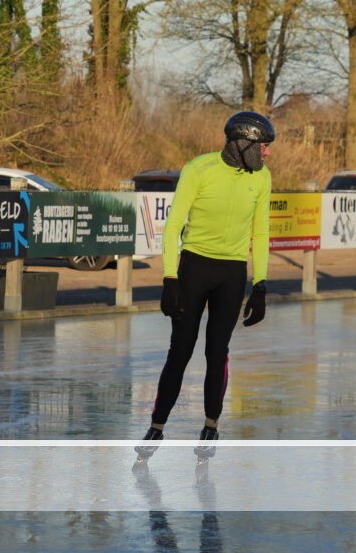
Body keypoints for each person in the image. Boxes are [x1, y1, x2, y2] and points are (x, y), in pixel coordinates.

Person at [135, 111, 274, 461]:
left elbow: (261, 231)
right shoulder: (199, 170)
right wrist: (170, 278)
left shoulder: (262, 178)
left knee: (217, 351)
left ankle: (211, 425)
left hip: (232, 273)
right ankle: (157, 427)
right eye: (264, 147)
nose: (268, 154)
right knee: (180, 351)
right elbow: (173, 227)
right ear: (243, 144)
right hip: (194, 267)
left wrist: (260, 285)